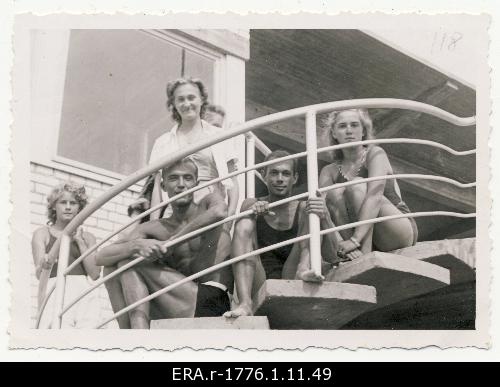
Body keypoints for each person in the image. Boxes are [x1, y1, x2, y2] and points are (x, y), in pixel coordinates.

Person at [96, 157, 233, 329]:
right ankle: (130, 335)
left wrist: (172, 242)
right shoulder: (154, 228)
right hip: (176, 302)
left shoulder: (208, 203)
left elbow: (220, 212)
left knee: (129, 263)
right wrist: (137, 246)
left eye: (188, 178)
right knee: (115, 265)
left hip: (214, 300)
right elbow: (100, 257)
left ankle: (136, 338)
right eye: (174, 178)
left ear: (196, 184)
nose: (181, 184)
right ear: (163, 186)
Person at [224, 150, 342, 318]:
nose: (280, 179)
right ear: (264, 176)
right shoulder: (252, 203)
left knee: (311, 210)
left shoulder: (302, 208)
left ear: (294, 178)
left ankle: (303, 268)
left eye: (286, 173)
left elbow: (332, 256)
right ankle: (245, 303)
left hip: (292, 274)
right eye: (274, 173)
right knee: (244, 220)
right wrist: (252, 212)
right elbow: (241, 240)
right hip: (260, 280)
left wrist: (325, 216)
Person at [319, 108, 418, 260]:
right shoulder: (329, 171)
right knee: (334, 193)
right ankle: (352, 255)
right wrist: (341, 244)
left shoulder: (375, 153)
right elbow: (323, 211)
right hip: (354, 238)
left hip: (395, 229)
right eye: (342, 126)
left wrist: (355, 240)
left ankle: (363, 255)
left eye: (354, 125)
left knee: (357, 185)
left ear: (363, 131)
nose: (349, 131)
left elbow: (375, 197)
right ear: (333, 133)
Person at [147, 78, 239, 221]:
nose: (187, 104)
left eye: (191, 98)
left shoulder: (220, 135)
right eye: (181, 99)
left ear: (202, 100)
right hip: (175, 210)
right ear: (174, 104)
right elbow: (157, 189)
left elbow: (232, 180)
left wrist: (231, 217)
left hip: (210, 206)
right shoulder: (162, 142)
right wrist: (153, 224)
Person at [31, 182, 101, 328]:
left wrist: (79, 242)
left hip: (82, 292)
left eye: (73, 203)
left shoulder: (88, 237)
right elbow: (39, 273)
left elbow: (94, 274)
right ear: (54, 206)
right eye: (63, 202)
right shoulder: (43, 233)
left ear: (79, 208)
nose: (68, 207)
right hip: (55, 290)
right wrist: (45, 263)